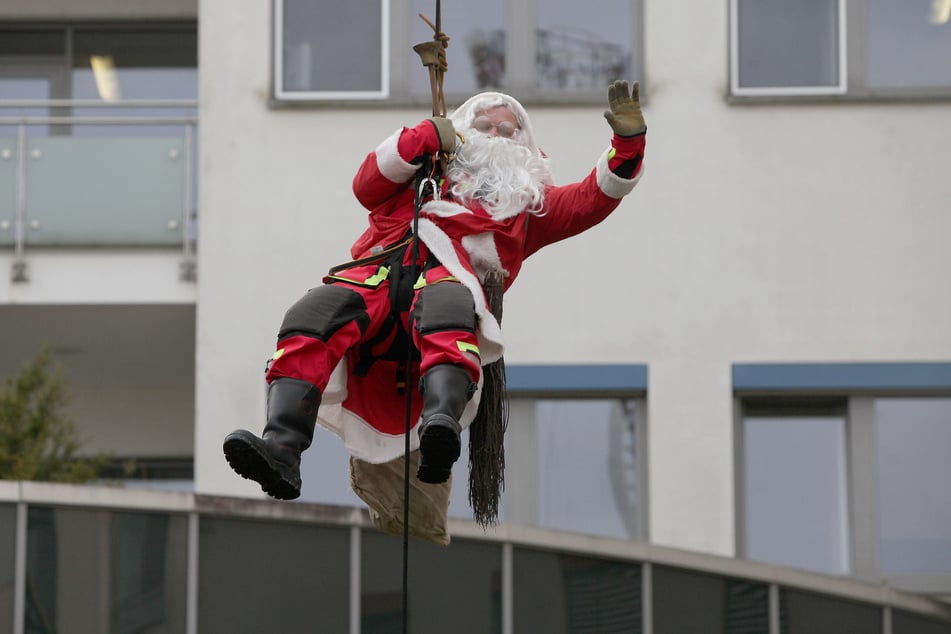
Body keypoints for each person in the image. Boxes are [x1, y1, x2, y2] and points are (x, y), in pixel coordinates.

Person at [223, 80, 647, 521]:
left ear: (526, 144)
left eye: (509, 129)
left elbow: (595, 197)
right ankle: (281, 449)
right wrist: (426, 135)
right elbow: (367, 184)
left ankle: (440, 427)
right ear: (463, 130)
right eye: (485, 125)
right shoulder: (420, 174)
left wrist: (628, 142)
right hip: (381, 276)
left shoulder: (528, 207)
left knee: (448, 307)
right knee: (314, 313)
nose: (497, 136)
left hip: (450, 287)